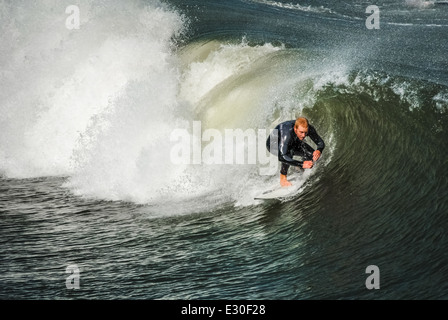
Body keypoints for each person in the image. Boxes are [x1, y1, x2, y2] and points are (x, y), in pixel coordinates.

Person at [266, 117, 325, 187]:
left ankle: (299, 169)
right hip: (273, 145)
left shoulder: (309, 129)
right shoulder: (287, 133)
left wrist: (319, 150)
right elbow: (282, 157)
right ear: (295, 129)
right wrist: (301, 164)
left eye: (305, 132)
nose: (303, 135)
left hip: (292, 141)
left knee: (311, 155)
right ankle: (283, 178)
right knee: (289, 151)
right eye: (301, 132)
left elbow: (320, 142)